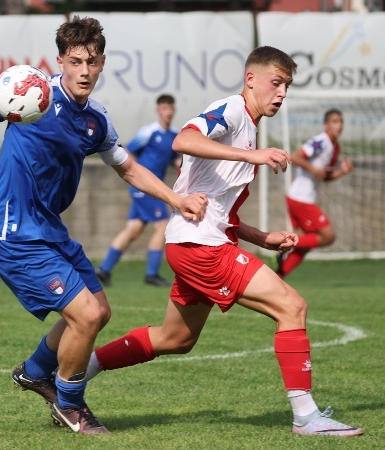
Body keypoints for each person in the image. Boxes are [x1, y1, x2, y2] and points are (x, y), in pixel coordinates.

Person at [0, 16, 207, 435]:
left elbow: (127, 169)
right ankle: (70, 406)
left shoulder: (97, 119)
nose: (84, 70)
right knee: (86, 316)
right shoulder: (31, 94)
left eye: (92, 61)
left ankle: (37, 372)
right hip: (12, 232)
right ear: (60, 61)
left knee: (100, 312)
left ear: (103, 62)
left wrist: (176, 199)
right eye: (76, 61)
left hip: (50, 230)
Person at [81, 46, 363, 437]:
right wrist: (253, 156)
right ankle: (306, 417)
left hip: (194, 243)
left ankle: (77, 373)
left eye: (287, 86)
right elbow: (183, 139)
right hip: (201, 249)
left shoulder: (249, 127)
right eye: (276, 83)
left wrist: (263, 237)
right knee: (292, 307)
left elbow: (224, 215)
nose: (281, 93)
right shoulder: (233, 110)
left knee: (175, 339)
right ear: (251, 80)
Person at [95, 94, 182, 287]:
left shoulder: (174, 135)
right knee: (163, 226)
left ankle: (104, 269)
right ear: (158, 110)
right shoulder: (149, 132)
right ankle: (151, 274)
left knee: (133, 230)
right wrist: (136, 176)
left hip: (151, 188)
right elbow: (127, 152)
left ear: (174, 110)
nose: (167, 112)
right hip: (145, 187)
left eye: (170, 108)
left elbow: (175, 160)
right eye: (164, 108)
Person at [276, 108, 353, 277]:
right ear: (326, 125)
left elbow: (324, 177)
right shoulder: (321, 141)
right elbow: (295, 157)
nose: (339, 125)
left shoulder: (335, 147)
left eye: (341, 122)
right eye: (334, 121)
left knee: (306, 245)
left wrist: (341, 171)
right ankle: (284, 245)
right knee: (328, 236)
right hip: (301, 198)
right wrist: (313, 169)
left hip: (301, 198)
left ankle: (278, 277)